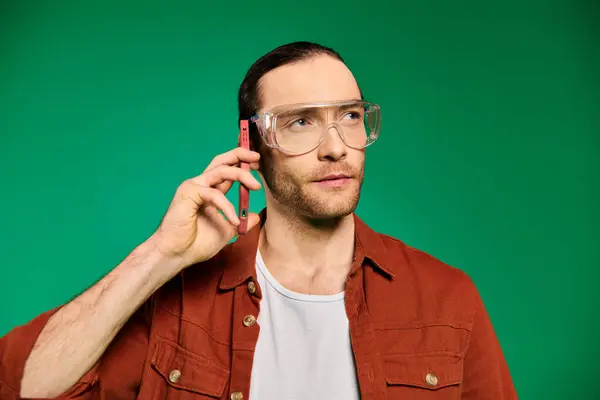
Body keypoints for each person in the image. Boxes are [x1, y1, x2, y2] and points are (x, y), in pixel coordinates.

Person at [0, 41, 517, 400]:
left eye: (350, 116)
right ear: (252, 145)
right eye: (300, 123)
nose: (336, 147)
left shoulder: (448, 298)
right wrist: (160, 255)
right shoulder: (178, 304)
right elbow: (24, 387)